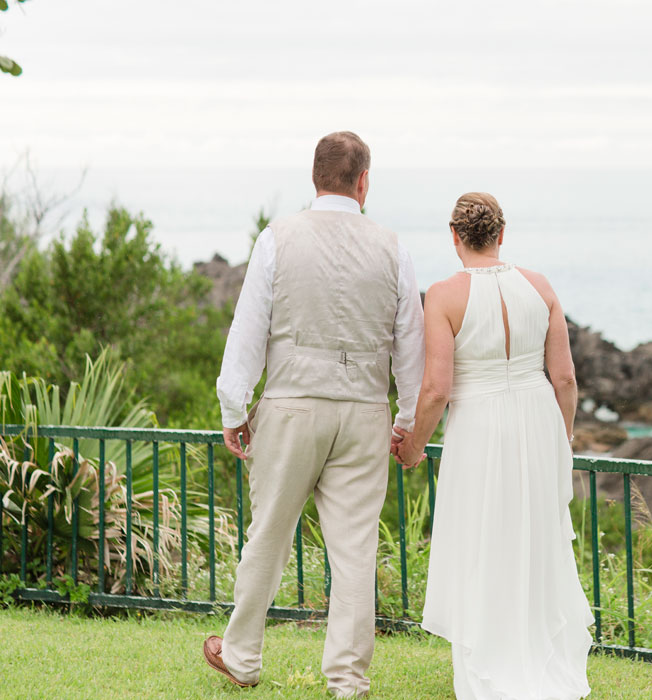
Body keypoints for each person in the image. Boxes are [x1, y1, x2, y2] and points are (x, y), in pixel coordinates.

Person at [204, 131, 425, 699]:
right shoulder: (393, 247)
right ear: (363, 181)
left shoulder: (277, 238)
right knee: (354, 550)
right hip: (364, 413)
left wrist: (234, 407)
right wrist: (403, 422)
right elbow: (411, 347)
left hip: (292, 407)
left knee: (268, 535)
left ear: (314, 177)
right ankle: (348, 679)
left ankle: (243, 656)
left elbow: (248, 332)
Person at [395, 192, 592, 699]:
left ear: (455, 237)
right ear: (501, 235)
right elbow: (565, 379)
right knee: (533, 538)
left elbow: (437, 389)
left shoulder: (442, 295)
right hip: (538, 422)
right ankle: (537, 654)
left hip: (480, 428)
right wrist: (561, 439)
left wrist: (414, 446)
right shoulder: (541, 286)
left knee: (482, 541)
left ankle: (492, 656)